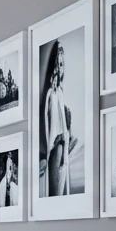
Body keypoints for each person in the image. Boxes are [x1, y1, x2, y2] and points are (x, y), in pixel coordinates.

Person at [39, 41, 71, 196]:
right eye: (58, 64)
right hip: (55, 145)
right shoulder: (51, 94)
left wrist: (66, 138)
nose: (61, 67)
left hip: (63, 143)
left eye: (63, 64)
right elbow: (46, 124)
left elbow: (64, 124)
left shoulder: (60, 93)